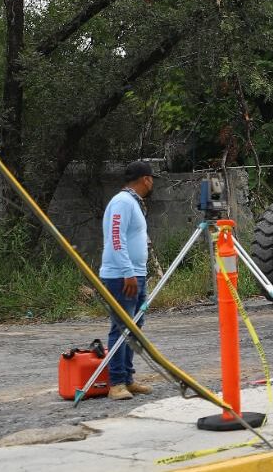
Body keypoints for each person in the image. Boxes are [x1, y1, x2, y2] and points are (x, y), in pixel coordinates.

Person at [100, 160, 160, 400]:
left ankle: (127, 378)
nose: (153, 183)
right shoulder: (122, 202)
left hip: (136, 274)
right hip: (122, 277)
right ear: (146, 179)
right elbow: (116, 238)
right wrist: (127, 272)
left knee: (133, 329)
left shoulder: (132, 202)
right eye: (152, 178)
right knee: (121, 329)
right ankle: (116, 383)